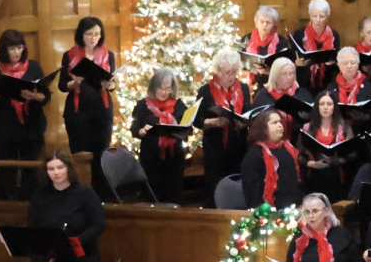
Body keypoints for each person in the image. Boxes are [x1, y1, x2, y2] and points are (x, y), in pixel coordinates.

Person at [0, 28, 46, 200]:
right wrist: (0, 92)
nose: (17, 52)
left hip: (31, 127)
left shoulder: (33, 67)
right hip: (5, 130)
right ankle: (8, 206)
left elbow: (45, 97)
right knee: (7, 170)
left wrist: (34, 96)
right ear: (4, 50)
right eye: (12, 48)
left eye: (20, 47)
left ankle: (30, 203)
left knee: (30, 169)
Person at [58, 16, 117, 197]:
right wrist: (74, 82)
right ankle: (81, 195)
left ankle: (101, 197)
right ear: (81, 35)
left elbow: (112, 84)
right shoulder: (69, 55)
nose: (93, 38)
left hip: (101, 111)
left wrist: (110, 85)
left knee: (101, 154)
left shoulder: (108, 55)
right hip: (78, 112)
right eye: (89, 34)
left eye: (97, 34)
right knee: (81, 156)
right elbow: (62, 85)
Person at [196, 48, 253, 193]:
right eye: (227, 72)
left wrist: (245, 122)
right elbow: (196, 120)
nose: (231, 76)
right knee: (216, 188)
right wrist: (214, 122)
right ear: (218, 71)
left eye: (234, 71)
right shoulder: (206, 91)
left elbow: (248, 112)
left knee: (238, 187)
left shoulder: (243, 88)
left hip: (239, 146)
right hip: (215, 148)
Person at [130, 67, 188, 202]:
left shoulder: (179, 106)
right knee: (153, 196)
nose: (164, 92)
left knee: (173, 197)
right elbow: (134, 129)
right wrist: (142, 131)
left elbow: (188, 129)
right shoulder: (143, 106)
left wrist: (180, 131)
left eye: (168, 88)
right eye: (160, 88)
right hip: (151, 159)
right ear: (153, 87)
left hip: (174, 159)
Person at [240, 104, 303, 209]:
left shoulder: (288, 148)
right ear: (263, 128)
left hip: (292, 207)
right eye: (274, 123)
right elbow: (252, 193)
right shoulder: (254, 155)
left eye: (280, 122)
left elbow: (296, 182)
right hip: (267, 211)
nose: (280, 125)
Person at [298, 89, 353, 201]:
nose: (325, 107)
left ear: (334, 107)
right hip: (314, 178)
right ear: (317, 107)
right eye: (322, 104)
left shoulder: (344, 128)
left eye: (329, 104)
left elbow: (353, 153)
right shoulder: (307, 128)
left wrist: (339, 160)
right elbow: (299, 154)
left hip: (337, 178)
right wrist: (312, 164)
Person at [293, 0, 339, 94]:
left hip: (327, 83)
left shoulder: (334, 35)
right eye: (314, 16)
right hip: (303, 83)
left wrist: (333, 63)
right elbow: (292, 59)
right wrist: (297, 63)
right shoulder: (299, 34)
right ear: (310, 16)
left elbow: (337, 62)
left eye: (321, 16)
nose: (318, 20)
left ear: (327, 17)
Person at [240, 5, 285, 85]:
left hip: (272, 82)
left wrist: (269, 71)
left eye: (269, 22)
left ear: (274, 24)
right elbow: (241, 61)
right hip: (250, 81)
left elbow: (285, 67)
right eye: (261, 21)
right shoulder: (246, 39)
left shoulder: (281, 41)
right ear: (256, 22)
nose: (264, 25)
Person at [327, 45, 371, 110]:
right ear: (339, 66)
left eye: (353, 62)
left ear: (358, 64)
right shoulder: (331, 88)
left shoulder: (369, 88)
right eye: (345, 63)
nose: (349, 66)